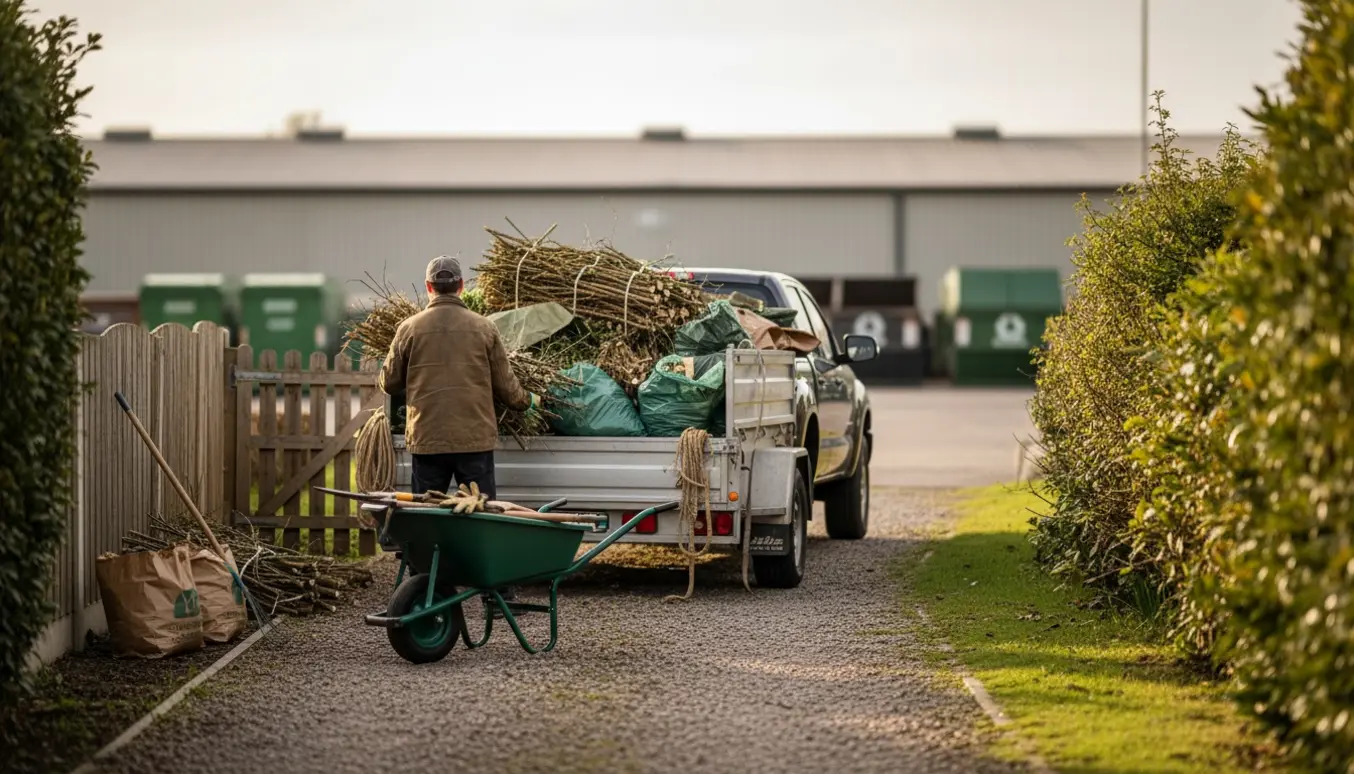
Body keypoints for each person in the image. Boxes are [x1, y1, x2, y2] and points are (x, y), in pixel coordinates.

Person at [379, 255, 539, 501]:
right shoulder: (484, 328)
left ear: (428, 286)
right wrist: (529, 401)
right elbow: (507, 388)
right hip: (474, 442)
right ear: (461, 286)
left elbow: (389, 384)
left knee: (428, 513)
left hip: (427, 439)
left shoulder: (408, 329)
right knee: (481, 513)